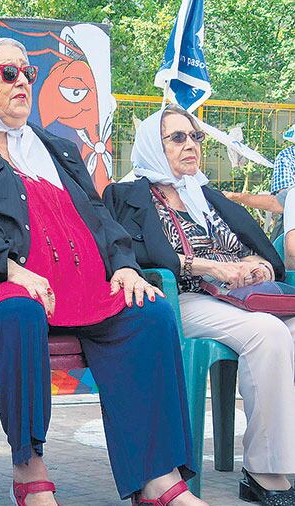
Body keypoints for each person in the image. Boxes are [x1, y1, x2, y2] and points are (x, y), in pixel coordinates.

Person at [0, 38, 202, 506]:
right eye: (8, 73)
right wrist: (5, 267)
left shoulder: (55, 148)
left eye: (28, 73)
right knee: (19, 312)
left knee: (151, 313)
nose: (22, 80)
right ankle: (29, 469)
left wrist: (123, 265)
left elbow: (99, 216)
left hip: (77, 287)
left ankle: (157, 477)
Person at [104, 105, 295, 505]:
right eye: (177, 137)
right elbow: (133, 258)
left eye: (195, 137)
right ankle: (265, 470)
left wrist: (256, 267)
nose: (190, 144)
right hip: (180, 298)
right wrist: (210, 267)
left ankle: (282, 454)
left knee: (289, 330)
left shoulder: (207, 195)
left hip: (235, 300)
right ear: (153, 146)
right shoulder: (128, 195)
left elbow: (262, 250)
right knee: (269, 332)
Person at [223, 123, 295, 239]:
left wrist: (236, 196)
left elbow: (279, 203)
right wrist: (236, 196)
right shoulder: (288, 156)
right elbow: (284, 203)